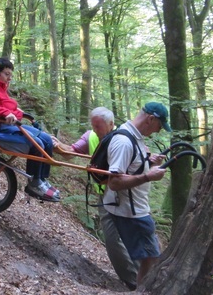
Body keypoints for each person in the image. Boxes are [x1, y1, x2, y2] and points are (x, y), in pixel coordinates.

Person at [52, 107, 139, 290]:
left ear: (110, 124)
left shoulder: (122, 140)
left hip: (124, 195)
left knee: (131, 237)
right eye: (93, 126)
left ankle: (140, 278)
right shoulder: (90, 136)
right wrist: (56, 145)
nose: (96, 130)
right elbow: (71, 152)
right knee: (113, 240)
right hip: (105, 197)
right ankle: (133, 281)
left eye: (99, 126)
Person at [0, 57, 61, 202]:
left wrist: (15, 111)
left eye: (10, 75)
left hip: (7, 126)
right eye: (7, 74)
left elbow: (3, 105)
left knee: (47, 139)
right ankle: (34, 183)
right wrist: (4, 112)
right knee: (37, 144)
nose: (9, 78)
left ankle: (41, 179)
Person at [103, 102, 169, 287]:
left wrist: (148, 161)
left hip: (135, 208)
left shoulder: (133, 136)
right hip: (133, 213)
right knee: (151, 258)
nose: (158, 131)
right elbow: (114, 182)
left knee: (150, 256)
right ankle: (143, 290)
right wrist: (148, 176)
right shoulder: (124, 141)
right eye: (159, 126)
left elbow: (130, 166)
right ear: (151, 119)